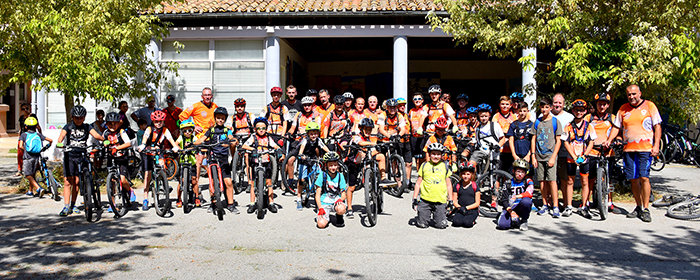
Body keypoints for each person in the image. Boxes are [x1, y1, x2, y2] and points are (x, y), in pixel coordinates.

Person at [603, 85, 661, 223]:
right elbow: (617, 127)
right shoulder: (623, 109)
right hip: (628, 149)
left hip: (645, 149)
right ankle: (638, 206)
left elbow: (657, 126)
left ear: (640, 93)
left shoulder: (650, 106)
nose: (632, 97)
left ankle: (646, 209)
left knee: (644, 177)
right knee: (633, 179)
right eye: (629, 94)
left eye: (634, 94)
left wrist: (656, 145)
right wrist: (609, 140)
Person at [56, 105, 102, 216]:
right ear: (72, 117)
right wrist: (60, 143)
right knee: (68, 182)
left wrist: (104, 140)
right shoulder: (68, 126)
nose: (79, 120)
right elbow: (60, 137)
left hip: (82, 154)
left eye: (81, 118)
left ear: (84, 117)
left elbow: (96, 135)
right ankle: (66, 206)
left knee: (76, 182)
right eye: (76, 118)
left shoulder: (87, 127)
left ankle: (73, 204)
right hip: (70, 156)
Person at [194, 107, 240, 214]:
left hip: (223, 159)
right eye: (218, 118)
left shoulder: (226, 130)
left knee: (228, 182)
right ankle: (213, 203)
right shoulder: (211, 130)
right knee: (213, 182)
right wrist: (193, 144)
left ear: (225, 119)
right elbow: (202, 139)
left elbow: (231, 137)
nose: (220, 120)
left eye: (222, 118)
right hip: (213, 158)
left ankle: (230, 204)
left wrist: (232, 140)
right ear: (215, 118)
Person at [585, 92, 623, 214]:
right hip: (592, 151)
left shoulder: (612, 118)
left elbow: (619, 133)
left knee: (609, 179)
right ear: (596, 104)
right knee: (590, 179)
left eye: (604, 104)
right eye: (600, 104)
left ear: (607, 105)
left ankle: (609, 203)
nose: (602, 106)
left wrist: (618, 140)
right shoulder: (588, 118)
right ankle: (586, 202)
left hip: (608, 152)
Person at [561, 99, 597, 218]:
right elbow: (566, 142)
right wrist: (574, 156)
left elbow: (591, 141)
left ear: (585, 111)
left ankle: (584, 206)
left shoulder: (589, 126)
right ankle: (569, 206)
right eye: (577, 110)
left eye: (581, 110)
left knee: (585, 182)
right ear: (573, 111)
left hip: (584, 157)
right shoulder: (568, 126)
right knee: (570, 181)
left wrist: (585, 155)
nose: (579, 112)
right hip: (572, 157)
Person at [137, 110, 179, 211]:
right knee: (148, 174)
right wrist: (143, 145)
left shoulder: (165, 130)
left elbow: (170, 139)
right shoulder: (149, 129)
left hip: (159, 151)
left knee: (162, 165)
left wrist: (175, 147)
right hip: (147, 152)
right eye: (156, 121)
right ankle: (145, 198)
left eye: (160, 121)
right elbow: (145, 137)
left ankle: (164, 183)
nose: (158, 123)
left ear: (163, 121)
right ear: (153, 121)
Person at [346, 118, 386, 217]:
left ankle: (383, 179)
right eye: (366, 129)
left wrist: (381, 147)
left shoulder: (368, 139)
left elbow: (371, 150)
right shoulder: (356, 136)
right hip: (353, 163)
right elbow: (360, 143)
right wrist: (373, 144)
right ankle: (349, 208)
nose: (368, 131)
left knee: (381, 156)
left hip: (364, 160)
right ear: (361, 128)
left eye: (370, 129)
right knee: (351, 187)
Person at [179, 87, 218, 189]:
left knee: (212, 160)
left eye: (209, 95)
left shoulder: (215, 106)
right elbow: (182, 116)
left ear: (212, 96)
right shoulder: (196, 106)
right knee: (199, 160)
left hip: (212, 137)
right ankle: (195, 183)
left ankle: (214, 184)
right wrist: (193, 126)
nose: (207, 97)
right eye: (205, 95)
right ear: (202, 96)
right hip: (200, 137)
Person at [242, 117, 281, 214]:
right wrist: (252, 149)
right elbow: (244, 145)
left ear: (266, 128)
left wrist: (278, 149)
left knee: (269, 182)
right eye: (258, 128)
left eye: (263, 128)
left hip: (266, 161)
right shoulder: (253, 137)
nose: (261, 130)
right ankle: (252, 203)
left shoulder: (268, 138)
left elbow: (274, 145)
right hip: (255, 162)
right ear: (255, 129)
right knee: (252, 183)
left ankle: (271, 203)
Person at [532, 97, 564, 218]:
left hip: (550, 155)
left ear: (551, 108)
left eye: (546, 107)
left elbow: (558, 141)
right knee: (542, 181)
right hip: (539, 155)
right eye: (542, 107)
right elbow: (533, 139)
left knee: (552, 181)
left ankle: (555, 206)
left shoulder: (555, 122)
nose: (544, 109)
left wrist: (553, 157)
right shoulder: (537, 122)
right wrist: (533, 156)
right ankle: (545, 204)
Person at [288, 122, 329, 211]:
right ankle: (299, 198)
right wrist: (301, 154)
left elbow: (324, 147)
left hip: (313, 159)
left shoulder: (318, 140)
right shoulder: (305, 140)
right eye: (311, 134)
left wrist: (330, 153)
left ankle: (318, 198)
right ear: (308, 134)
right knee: (301, 180)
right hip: (304, 160)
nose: (314, 135)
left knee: (318, 178)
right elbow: (302, 148)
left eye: (315, 133)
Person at [412, 143, 454, 229]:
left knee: (441, 225)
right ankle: (424, 216)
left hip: (440, 200)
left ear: (442, 155)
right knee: (422, 225)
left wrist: (451, 199)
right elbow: (418, 183)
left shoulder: (444, 166)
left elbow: (449, 184)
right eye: (433, 154)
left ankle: (438, 216)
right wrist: (415, 198)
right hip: (425, 200)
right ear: (429, 154)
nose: (436, 156)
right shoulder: (424, 165)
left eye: (438, 154)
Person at [100, 112, 133, 213]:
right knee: (112, 182)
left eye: (115, 123)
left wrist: (117, 148)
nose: (112, 126)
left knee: (122, 180)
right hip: (111, 159)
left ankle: (130, 190)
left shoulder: (121, 132)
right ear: (106, 124)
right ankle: (112, 204)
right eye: (110, 124)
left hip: (122, 158)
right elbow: (102, 142)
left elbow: (128, 143)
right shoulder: (105, 133)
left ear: (118, 124)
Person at [377, 98, 408, 187]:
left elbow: (403, 129)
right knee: (381, 158)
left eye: (394, 107)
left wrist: (399, 135)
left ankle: (398, 183)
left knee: (394, 160)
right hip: (383, 140)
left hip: (393, 140)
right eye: (390, 107)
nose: (392, 109)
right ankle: (382, 178)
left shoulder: (399, 116)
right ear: (387, 107)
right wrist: (389, 136)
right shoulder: (383, 115)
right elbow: (381, 129)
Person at [19, 117, 52, 198]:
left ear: (26, 126)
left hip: (28, 157)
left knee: (27, 174)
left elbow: (20, 146)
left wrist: (26, 150)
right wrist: (47, 146)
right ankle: (30, 191)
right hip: (36, 157)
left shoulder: (24, 135)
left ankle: (38, 188)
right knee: (32, 173)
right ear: (35, 126)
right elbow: (50, 140)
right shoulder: (38, 134)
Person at [497, 159, 534, 230]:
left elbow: (529, 193)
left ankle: (524, 220)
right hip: (510, 207)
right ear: (514, 171)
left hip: (521, 206)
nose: (520, 174)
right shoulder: (508, 183)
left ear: (526, 173)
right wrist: (511, 212)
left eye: (523, 172)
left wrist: (517, 196)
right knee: (502, 225)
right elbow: (504, 200)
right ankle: (514, 221)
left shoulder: (528, 181)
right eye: (518, 171)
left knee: (526, 201)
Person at [551, 93, 575, 201]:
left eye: (560, 103)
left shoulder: (570, 117)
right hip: (549, 150)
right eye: (555, 102)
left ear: (564, 104)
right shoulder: (545, 116)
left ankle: (566, 203)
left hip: (564, 150)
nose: (557, 105)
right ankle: (551, 202)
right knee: (551, 179)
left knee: (564, 178)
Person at [315, 151, 347, 228]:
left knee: (341, 208)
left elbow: (343, 194)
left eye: (335, 165)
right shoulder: (322, 175)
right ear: (326, 165)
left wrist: (340, 200)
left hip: (336, 201)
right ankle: (326, 217)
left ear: (338, 166)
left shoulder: (340, 176)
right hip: (324, 202)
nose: (333, 167)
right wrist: (320, 208)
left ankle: (339, 216)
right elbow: (317, 195)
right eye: (331, 165)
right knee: (321, 224)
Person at [175, 119, 200, 208]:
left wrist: (195, 147)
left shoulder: (194, 138)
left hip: (192, 161)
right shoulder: (181, 138)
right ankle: (179, 198)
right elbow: (176, 143)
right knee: (180, 181)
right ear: (182, 131)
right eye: (185, 131)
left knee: (194, 180)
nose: (187, 132)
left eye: (189, 130)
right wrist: (178, 148)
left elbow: (198, 143)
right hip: (183, 162)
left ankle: (197, 197)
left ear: (192, 130)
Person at [451, 162, 480, 228]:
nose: (465, 176)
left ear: (472, 175)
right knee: (456, 223)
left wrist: (466, 208)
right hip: (461, 209)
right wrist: (459, 208)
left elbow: (477, 203)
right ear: (461, 174)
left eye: (468, 174)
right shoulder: (457, 185)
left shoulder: (474, 186)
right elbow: (454, 201)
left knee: (467, 223)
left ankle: (473, 220)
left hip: (472, 210)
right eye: (463, 174)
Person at [17, 103, 41, 177]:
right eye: (23, 109)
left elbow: (37, 126)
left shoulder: (32, 116)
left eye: (26, 108)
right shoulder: (21, 118)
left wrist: (40, 135)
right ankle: (20, 170)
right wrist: (19, 135)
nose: (25, 110)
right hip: (23, 136)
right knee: (20, 153)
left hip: (31, 136)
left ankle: (37, 167)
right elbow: (21, 127)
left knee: (33, 152)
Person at [493, 96, 517, 170]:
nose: (505, 106)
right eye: (503, 104)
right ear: (499, 105)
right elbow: (493, 131)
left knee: (510, 171)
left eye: (507, 104)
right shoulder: (496, 116)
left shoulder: (514, 117)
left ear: (510, 105)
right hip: (500, 148)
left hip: (511, 149)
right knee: (498, 172)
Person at [506, 101, 533, 165]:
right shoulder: (513, 124)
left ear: (527, 111)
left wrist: (529, 155)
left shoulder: (531, 125)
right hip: (517, 154)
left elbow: (533, 140)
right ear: (517, 111)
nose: (522, 113)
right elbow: (511, 140)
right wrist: (514, 155)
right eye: (520, 111)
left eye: (524, 111)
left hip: (528, 154)